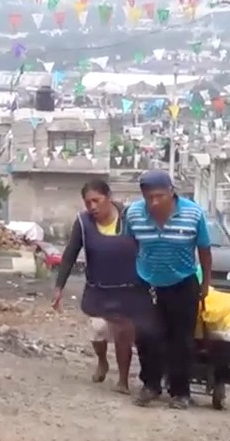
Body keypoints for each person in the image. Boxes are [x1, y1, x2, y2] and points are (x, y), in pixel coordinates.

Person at [52, 179, 155, 394]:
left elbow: (149, 248)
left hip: (128, 289)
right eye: (87, 202)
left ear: (109, 197)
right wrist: (59, 287)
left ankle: (123, 381)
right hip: (99, 289)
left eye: (96, 201)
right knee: (98, 330)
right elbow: (70, 254)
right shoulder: (83, 223)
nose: (92, 207)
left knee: (123, 333)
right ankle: (102, 361)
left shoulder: (131, 218)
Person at [125, 169, 213, 410]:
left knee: (181, 340)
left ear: (171, 192)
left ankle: (180, 392)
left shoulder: (193, 213)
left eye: (160, 196)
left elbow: (204, 252)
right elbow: (130, 246)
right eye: (149, 196)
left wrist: (205, 285)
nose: (154, 202)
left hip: (183, 284)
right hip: (147, 283)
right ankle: (151, 385)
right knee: (146, 337)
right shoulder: (133, 214)